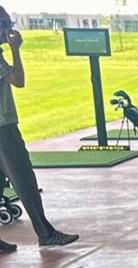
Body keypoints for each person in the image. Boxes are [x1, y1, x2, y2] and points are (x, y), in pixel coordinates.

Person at [0, 6, 77, 254]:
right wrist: (15, 49)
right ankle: (46, 233)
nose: (9, 30)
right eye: (5, 25)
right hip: (3, 129)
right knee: (23, 179)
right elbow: (18, 80)